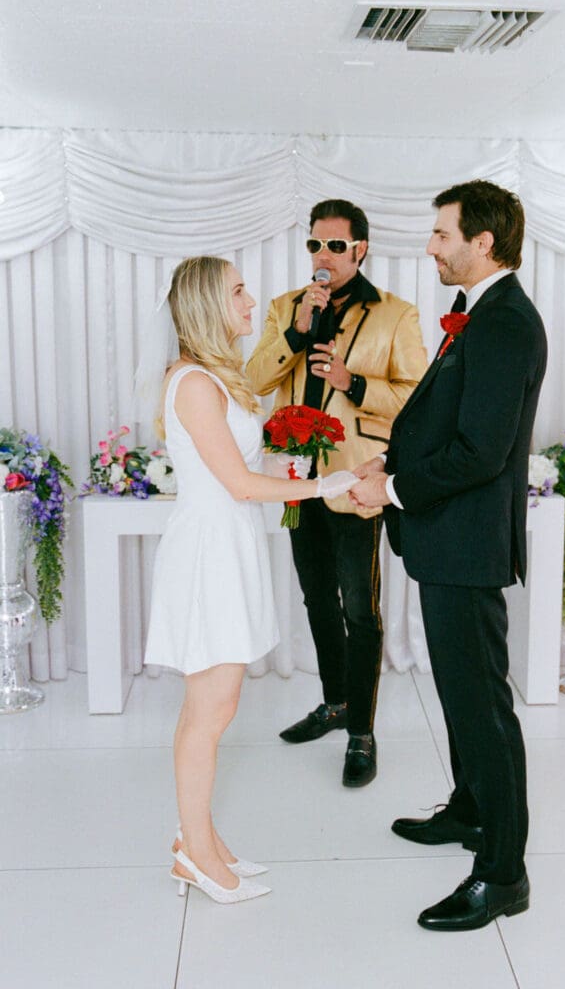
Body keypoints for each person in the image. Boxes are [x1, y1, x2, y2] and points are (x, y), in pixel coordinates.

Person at [351, 180, 547, 930]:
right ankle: (469, 810)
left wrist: (393, 489)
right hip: (448, 542)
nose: (430, 246)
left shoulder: (503, 324)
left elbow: (478, 453)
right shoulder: (480, 315)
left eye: (440, 234)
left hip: (463, 545)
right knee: (462, 696)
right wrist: (384, 464)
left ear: (482, 242)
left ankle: (502, 874)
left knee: (482, 707)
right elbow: (443, 422)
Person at [143, 256, 357, 904]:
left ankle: (202, 841)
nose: (249, 299)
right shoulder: (194, 383)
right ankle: (195, 853)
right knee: (208, 713)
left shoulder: (215, 376)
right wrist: (325, 484)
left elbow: (238, 466)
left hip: (228, 541)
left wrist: (293, 465)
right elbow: (235, 483)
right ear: (210, 303)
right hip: (207, 551)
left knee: (216, 706)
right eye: (237, 291)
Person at [246, 199, 427, 787]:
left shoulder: (396, 315)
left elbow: (418, 401)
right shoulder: (284, 309)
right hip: (298, 482)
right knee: (317, 602)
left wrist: (355, 383)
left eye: (335, 247)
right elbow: (253, 382)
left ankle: (362, 732)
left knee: (360, 609)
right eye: (314, 246)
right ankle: (335, 703)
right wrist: (297, 332)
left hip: (355, 481)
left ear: (361, 250)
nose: (322, 258)